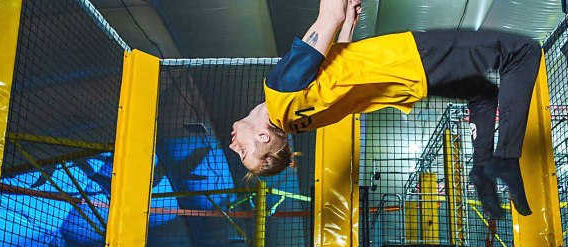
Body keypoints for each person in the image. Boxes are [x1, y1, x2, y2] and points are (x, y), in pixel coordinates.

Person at [229, 0, 541, 218]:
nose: (233, 145)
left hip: (408, 82)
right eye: (244, 152)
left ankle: (483, 167)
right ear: (264, 137)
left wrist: (349, 24)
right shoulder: (281, 89)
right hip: (411, 58)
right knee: (522, 53)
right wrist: (341, 17)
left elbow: (335, 74)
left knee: (482, 93)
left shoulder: (299, 121)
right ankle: (506, 159)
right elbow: (330, 13)